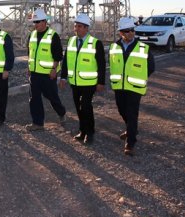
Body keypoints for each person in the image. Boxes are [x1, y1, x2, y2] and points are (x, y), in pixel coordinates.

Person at [108, 16, 155, 155]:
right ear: (120, 33)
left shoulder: (143, 48)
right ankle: (131, 129)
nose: (130, 33)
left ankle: (130, 143)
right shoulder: (114, 47)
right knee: (122, 110)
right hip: (119, 86)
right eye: (127, 31)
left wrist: (139, 76)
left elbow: (151, 67)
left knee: (132, 113)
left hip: (134, 87)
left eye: (132, 31)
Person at [59, 13, 106, 145]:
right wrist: (63, 77)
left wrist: (101, 82)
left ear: (86, 28)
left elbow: (101, 65)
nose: (76, 29)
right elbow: (66, 61)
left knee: (85, 106)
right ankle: (83, 130)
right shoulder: (72, 41)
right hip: (75, 82)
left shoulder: (96, 43)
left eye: (79, 26)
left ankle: (90, 133)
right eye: (75, 26)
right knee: (78, 107)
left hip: (89, 83)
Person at [26, 8, 67, 131]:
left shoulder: (53, 36)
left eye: (37, 22)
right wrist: (29, 67)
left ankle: (61, 112)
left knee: (51, 96)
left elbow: (58, 55)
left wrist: (54, 69)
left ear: (44, 22)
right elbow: (30, 53)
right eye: (34, 22)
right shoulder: (32, 35)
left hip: (48, 74)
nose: (36, 25)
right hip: (34, 73)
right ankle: (38, 123)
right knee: (34, 98)